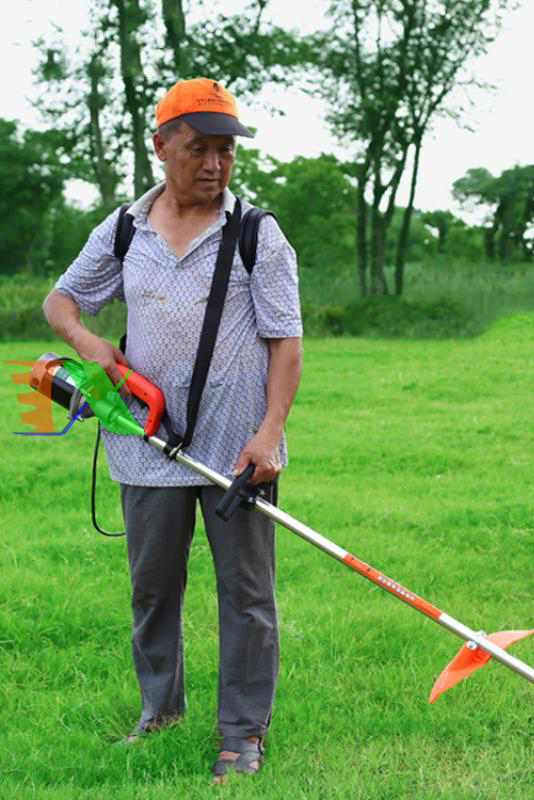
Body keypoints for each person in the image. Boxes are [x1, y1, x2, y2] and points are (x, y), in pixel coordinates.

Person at [42, 77, 303, 784]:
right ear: (161, 147)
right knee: (153, 589)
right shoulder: (125, 228)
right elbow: (61, 301)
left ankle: (242, 734)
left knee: (246, 596)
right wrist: (88, 343)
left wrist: (270, 433)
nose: (215, 164)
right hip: (146, 442)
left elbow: (286, 342)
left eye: (226, 150)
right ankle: (160, 712)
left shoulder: (256, 233)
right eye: (198, 148)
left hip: (238, 450)